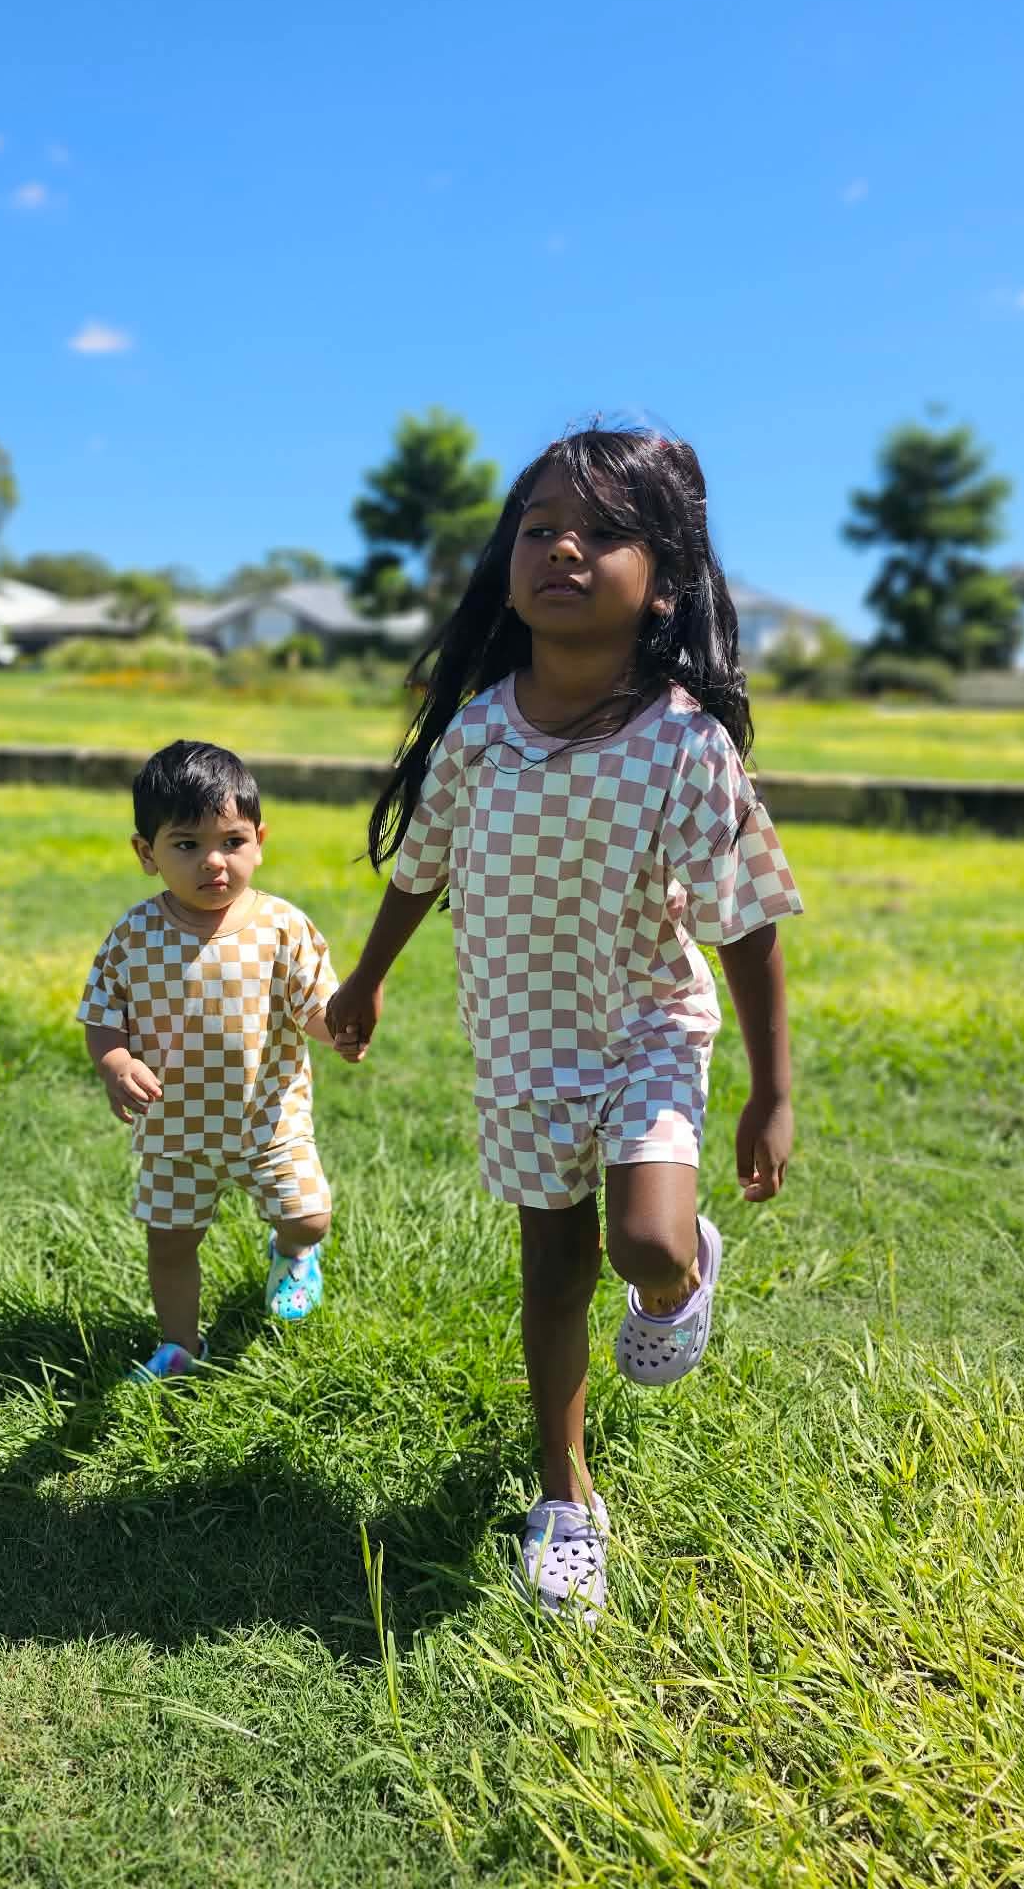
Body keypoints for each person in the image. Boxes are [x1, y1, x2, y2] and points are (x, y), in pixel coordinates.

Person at [327, 428, 803, 1622]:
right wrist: (370, 975)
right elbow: (421, 868)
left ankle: (679, 1276)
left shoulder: (685, 746)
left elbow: (745, 923)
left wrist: (771, 1086)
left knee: (644, 1240)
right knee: (552, 1264)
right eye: (539, 527)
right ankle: (564, 1495)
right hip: (523, 1046)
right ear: (508, 560)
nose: (563, 548)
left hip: (646, 1024)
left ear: (669, 578)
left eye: (602, 530)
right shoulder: (481, 732)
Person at [79, 739, 354, 1382]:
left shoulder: (281, 926)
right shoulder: (134, 936)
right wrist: (116, 1063)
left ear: (260, 839)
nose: (214, 862)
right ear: (146, 853)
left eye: (232, 841)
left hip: (267, 1119)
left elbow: (313, 1003)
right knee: (170, 1243)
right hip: (174, 1130)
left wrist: (337, 1029)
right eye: (186, 845)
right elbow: (102, 1014)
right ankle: (179, 1345)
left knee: (308, 1214)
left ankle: (293, 1253)